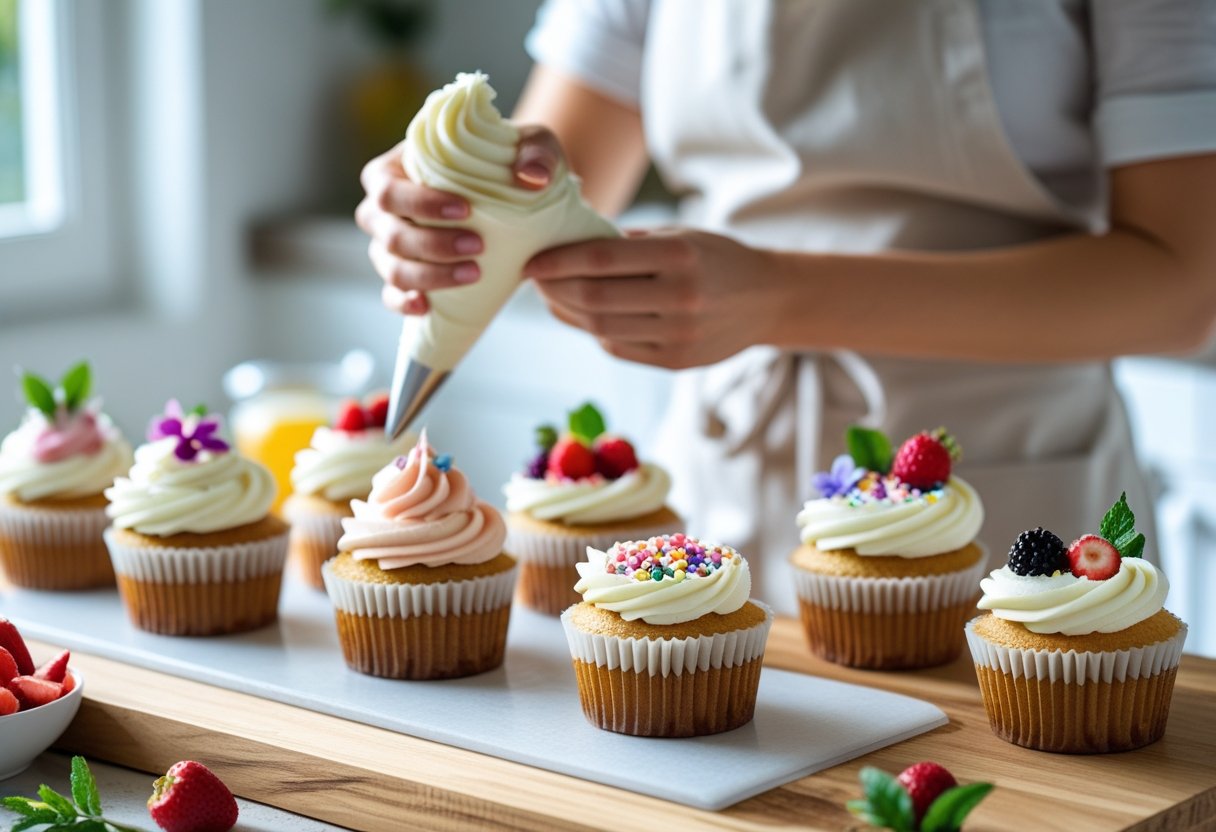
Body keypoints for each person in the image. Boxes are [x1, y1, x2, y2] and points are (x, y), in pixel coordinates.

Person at [355, 0, 1216, 611]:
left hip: (1007, 491)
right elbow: (561, 170)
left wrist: (778, 296)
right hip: (722, 472)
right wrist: (463, 199)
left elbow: (1184, 286)